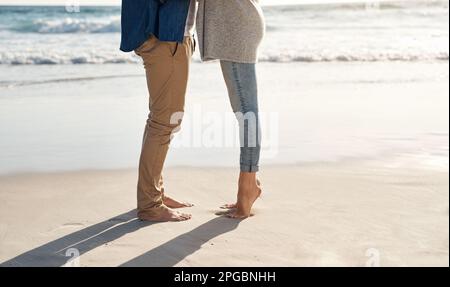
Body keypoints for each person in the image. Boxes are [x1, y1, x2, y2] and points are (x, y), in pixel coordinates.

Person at [120, 0, 198, 222]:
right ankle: (150, 205)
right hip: (165, 37)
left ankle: (155, 194)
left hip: (170, 34)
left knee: (160, 119)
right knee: (165, 121)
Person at [196, 0, 266, 219]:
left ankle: (247, 187)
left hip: (235, 29)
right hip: (236, 26)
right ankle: (249, 183)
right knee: (245, 113)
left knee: (247, 114)